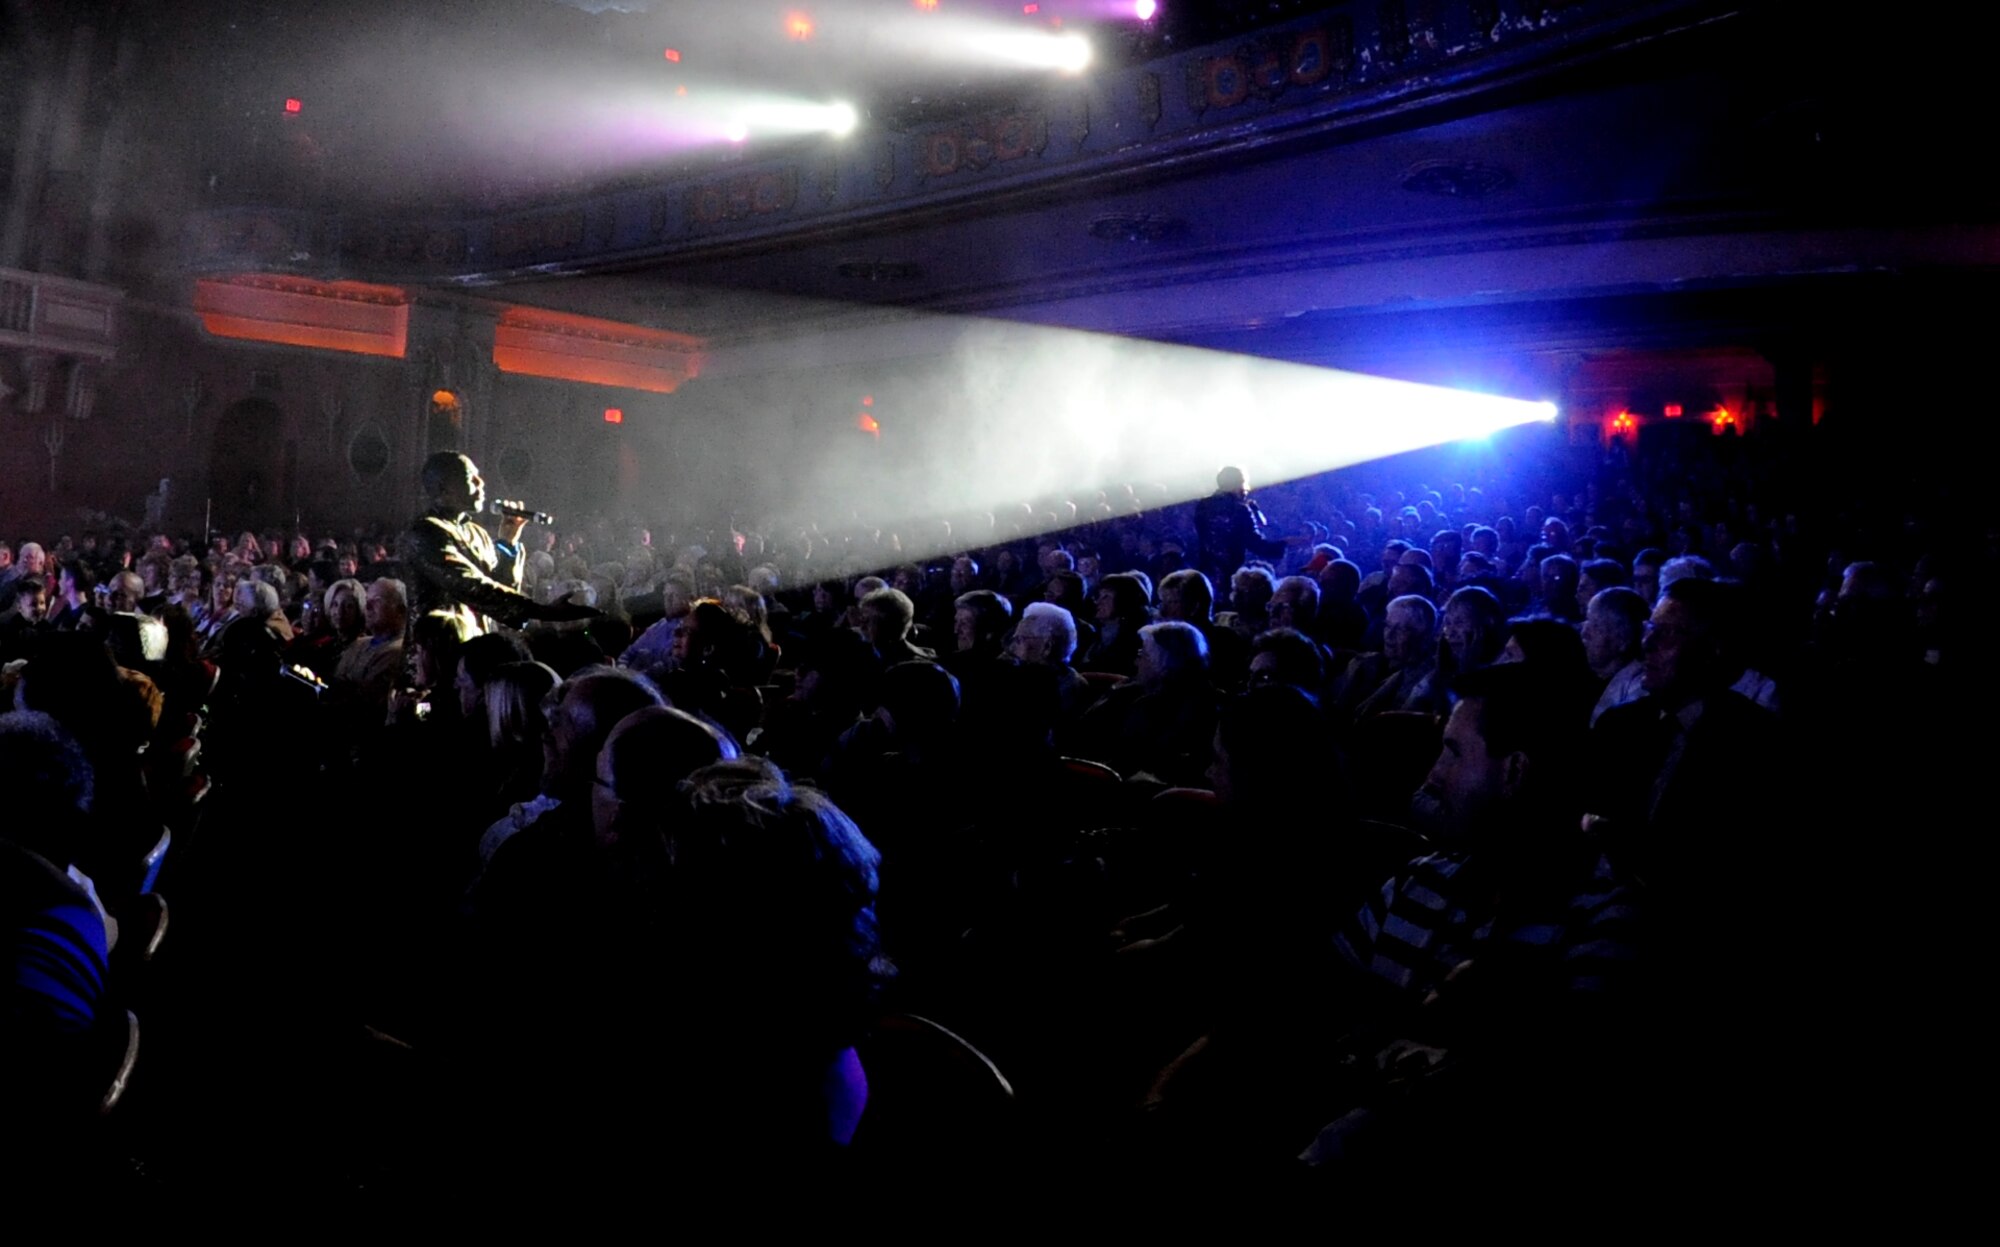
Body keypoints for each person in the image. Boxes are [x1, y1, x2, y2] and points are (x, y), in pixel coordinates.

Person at [403, 451, 592, 635]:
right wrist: (540, 611)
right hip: (436, 652)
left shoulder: (477, 533)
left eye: (479, 476)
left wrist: (509, 542)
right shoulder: (426, 532)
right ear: (443, 489)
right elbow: (471, 586)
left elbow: (503, 587)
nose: (481, 483)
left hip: (476, 647)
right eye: (470, 478)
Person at [1193, 467, 1290, 597]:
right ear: (1237, 484)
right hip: (1230, 575)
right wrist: (1284, 544)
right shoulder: (1240, 509)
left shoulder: (1202, 506)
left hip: (1206, 573)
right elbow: (1256, 544)